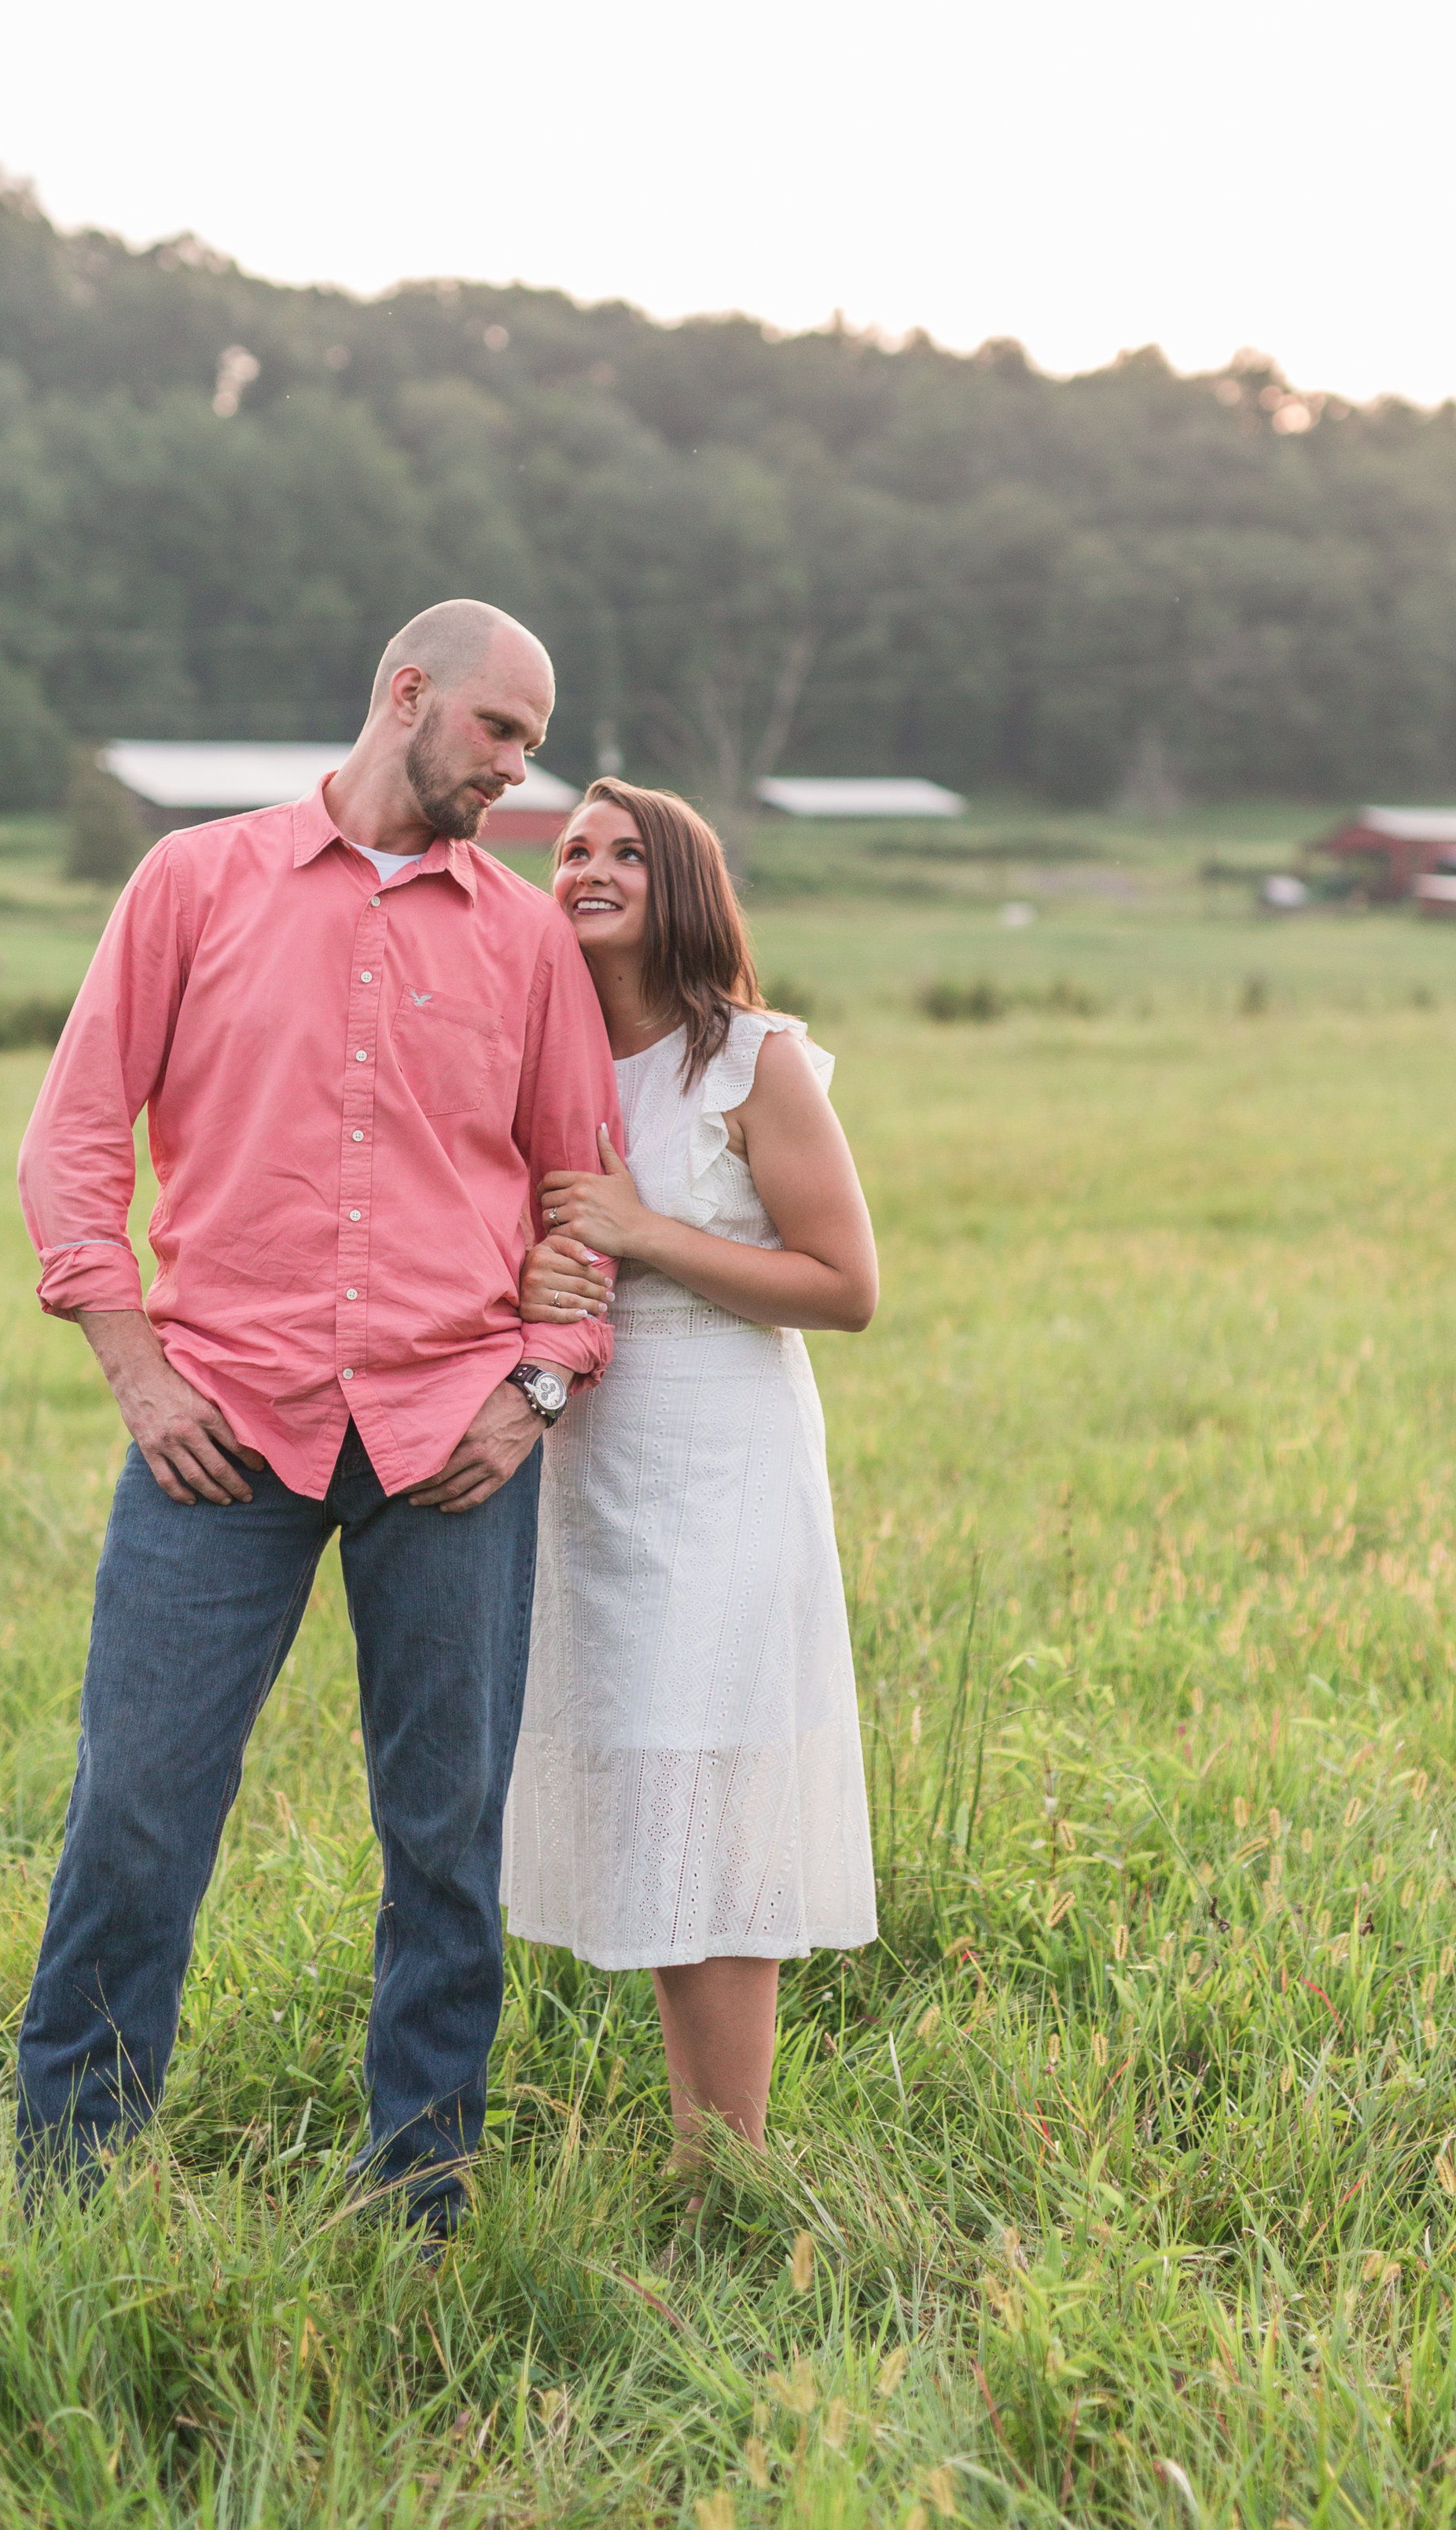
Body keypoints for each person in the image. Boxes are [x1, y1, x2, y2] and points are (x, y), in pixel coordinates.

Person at [14, 600, 619, 2231]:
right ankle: (69, 2189)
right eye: (500, 731)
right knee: (136, 1812)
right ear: (405, 695)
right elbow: (71, 1140)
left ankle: (420, 2198)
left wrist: (540, 1384)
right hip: (220, 1430)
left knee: (443, 1840)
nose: (518, 770)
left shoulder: (523, 939)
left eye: (533, 744)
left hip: (451, 1444)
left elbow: (580, 1190)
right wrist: (136, 1369)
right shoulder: (192, 885)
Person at [500, 779, 878, 2171]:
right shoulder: (543, 1059)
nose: (586, 867)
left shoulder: (750, 1060)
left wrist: (642, 1235)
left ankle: (725, 2161)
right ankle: (695, 2142)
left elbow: (843, 1285)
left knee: (708, 1790)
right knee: (647, 1781)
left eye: (623, 853)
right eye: (570, 851)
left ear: (684, 885)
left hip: (720, 1465)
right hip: (583, 1462)